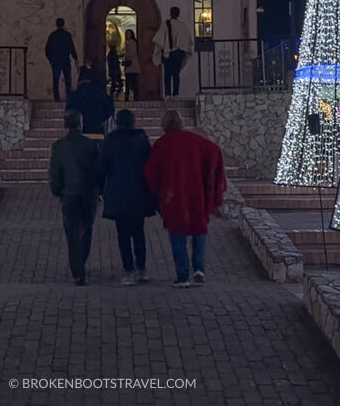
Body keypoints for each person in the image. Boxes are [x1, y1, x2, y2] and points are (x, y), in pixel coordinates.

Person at [144, 109, 226, 288]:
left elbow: (151, 171)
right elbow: (214, 151)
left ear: (164, 124)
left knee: (177, 233)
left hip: (173, 195)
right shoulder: (195, 141)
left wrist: (155, 193)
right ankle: (199, 269)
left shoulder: (162, 144)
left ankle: (183, 276)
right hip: (196, 192)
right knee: (199, 229)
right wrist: (210, 180)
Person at [97, 110, 153, 285]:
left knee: (123, 235)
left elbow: (102, 168)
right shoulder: (142, 141)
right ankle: (142, 268)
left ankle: (129, 270)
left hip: (118, 193)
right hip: (139, 192)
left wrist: (101, 190)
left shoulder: (110, 142)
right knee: (138, 232)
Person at [48, 109, 101, 286]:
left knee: (71, 233)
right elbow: (98, 170)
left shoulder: (58, 146)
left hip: (69, 195)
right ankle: (81, 263)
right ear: (80, 124)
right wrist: (99, 190)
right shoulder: (91, 145)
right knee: (86, 230)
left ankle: (77, 270)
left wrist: (57, 190)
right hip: (87, 194)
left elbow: (55, 173)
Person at [151, 7, 193, 99]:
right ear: (178, 14)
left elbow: (159, 40)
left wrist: (163, 48)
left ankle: (167, 94)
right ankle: (176, 94)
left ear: (170, 13)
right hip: (178, 53)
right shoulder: (183, 26)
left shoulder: (165, 25)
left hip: (167, 53)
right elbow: (187, 42)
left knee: (167, 74)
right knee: (176, 74)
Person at [45, 18, 78, 102]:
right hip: (65, 60)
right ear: (63, 24)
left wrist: (51, 59)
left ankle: (57, 98)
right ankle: (69, 97)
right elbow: (71, 48)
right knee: (68, 80)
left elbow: (47, 49)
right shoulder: (67, 35)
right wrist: (75, 58)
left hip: (56, 61)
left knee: (55, 80)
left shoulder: (52, 35)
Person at [122, 29, 141, 102]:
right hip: (131, 67)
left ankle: (129, 97)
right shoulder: (129, 42)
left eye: (128, 34)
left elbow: (131, 52)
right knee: (131, 83)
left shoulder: (131, 42)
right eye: (126, 34)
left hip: (131, 66)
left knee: (131, 83)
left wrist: (125, 55)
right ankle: (130, 97)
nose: (127, 35)